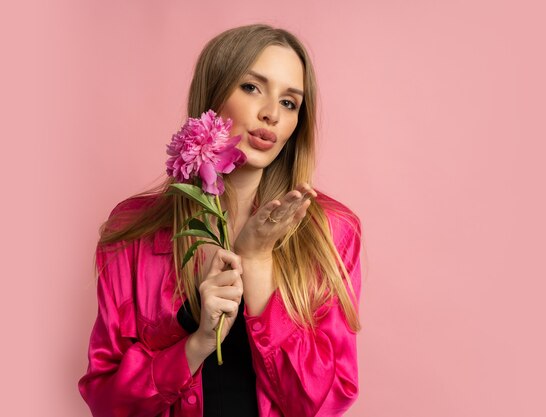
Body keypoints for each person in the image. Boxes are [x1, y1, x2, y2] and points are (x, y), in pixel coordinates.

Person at [78, 23, 363, 417]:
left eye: (289, 102)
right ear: (212, 94)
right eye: (252, 87)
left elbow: (320, 403)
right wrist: (196, 344)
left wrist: (258, 260)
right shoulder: (134, 232)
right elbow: (108, 401)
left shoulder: (330, 230)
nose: (270, 114)